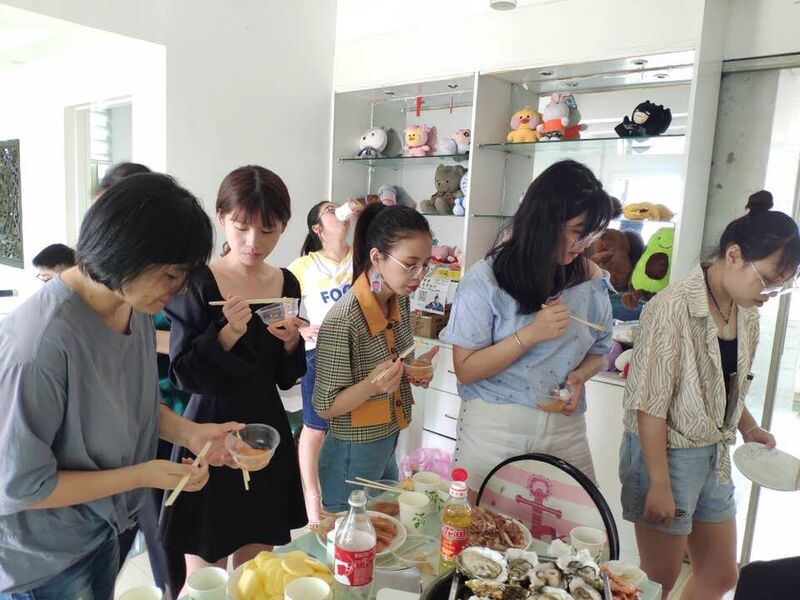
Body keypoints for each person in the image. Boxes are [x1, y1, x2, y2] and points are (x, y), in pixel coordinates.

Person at [0, 173, 240, 598]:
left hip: (103, 530)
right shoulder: (38, 346)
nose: (178, 290)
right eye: (170, 275)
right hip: (44, 561)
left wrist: (191, 433)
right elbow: (21, 485)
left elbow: (131, 405)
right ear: (125, 254)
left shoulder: (133, 307)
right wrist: (142, 475)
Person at [619, 190, 799, 599]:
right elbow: (649, 407)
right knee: (655, 584)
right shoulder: (672, 308)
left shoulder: (746, 310)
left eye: (782, 287)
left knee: (721, 575)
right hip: (665, 453)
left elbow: (726, 384)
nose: (769, 294)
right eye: (768, 281)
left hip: (713, 454)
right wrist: (659, 483)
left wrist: (750, 428)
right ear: (733, 255)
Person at [161, 165, 307, 590]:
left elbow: (285, 379)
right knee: (204, 578)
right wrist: (225, 334)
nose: (253, 241)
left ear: (283, 227)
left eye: (268, 230)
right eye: (242, 227)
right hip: (210, 432)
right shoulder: (198, 282)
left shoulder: (286, 282)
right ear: (222, 218)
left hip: (265, 433)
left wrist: (290, 344)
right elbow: (183, 375)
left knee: (255, 574)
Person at [441, 159, 614, 491]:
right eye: (578, 232)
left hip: (565, 428)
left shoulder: (589, 281)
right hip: (495, 426)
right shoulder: (485, 280)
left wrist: (581, 375)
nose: (584, 245)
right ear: (546, 221)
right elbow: (466, 369)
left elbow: (600, 351)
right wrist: (530, 335)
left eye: (592, 234)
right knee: (482, 520)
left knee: (582, 520)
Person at [313, 204, 435, 511]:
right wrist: (372, 385)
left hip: (387, 440)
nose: (419, 276)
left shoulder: (398, 299)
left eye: (426, 265)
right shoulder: (344, 320)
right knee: (349, 535)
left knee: (384, 529)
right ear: (377, 257)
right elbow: (325, 407)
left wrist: (413, 369)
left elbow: (395, 359)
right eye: (411, 265)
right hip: (351, 453)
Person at [288, 201, 354, 524]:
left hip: (358, 354)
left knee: (350, 428)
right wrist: (301, 328)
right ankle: (312, 503)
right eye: (330, 209)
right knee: (315, 429)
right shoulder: (304, 266)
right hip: (320, 354)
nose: (339, 210)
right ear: (317, 229)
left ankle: (344, 498)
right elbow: (282, 307)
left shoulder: (362, 255)